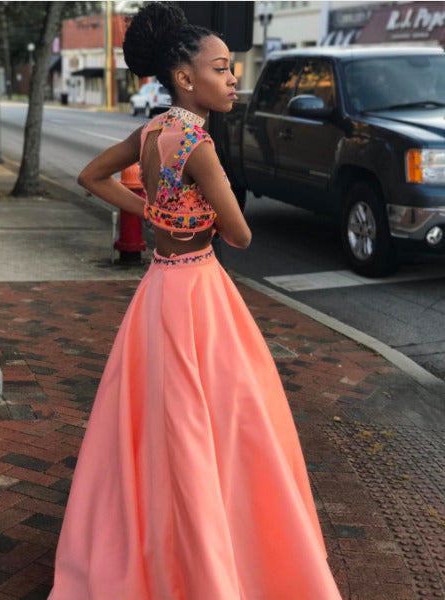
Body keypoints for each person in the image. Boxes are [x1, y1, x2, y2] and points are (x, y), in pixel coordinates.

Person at [47, 3, 342, 599]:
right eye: (221, 67)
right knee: (225, 423)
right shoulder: (197, 143)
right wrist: (204, 204)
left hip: (158, 289)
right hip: (202, 291)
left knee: (158, 423)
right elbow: (240, 235)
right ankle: (214, 555)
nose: (233, 78)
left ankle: (157, 544)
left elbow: (92, 176)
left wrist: (152, 213)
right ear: (186, 78)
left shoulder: (153, 131)